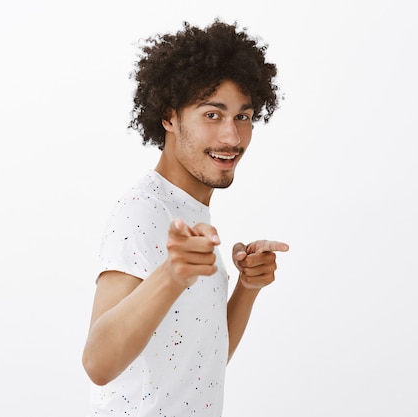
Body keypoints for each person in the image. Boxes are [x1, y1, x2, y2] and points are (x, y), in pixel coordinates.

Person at [82, 19, 289, 417]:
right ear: (169, 117)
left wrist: (247, 287)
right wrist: (171, 275)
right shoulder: (144, 209)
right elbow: (98, 363)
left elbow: (200, 366)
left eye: (243, 117)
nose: (232, 137)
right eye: (212, 115)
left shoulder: (189, 211)